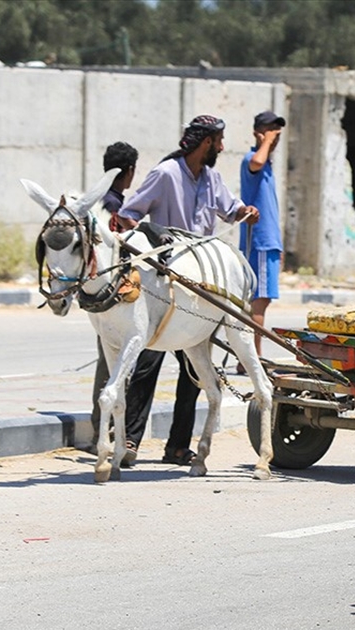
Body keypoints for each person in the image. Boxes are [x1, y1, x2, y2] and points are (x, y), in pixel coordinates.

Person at [117, 115, 259, 465]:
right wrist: (152, 234)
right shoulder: (166, 174)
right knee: (147, 361)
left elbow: (230, 209)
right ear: (205, 142)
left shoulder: (211, 178)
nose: (223, 148)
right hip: (164, 283)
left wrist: (246, 211)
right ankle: (131, 441)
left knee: (194, 372)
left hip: (200, 287)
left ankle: (177, 446)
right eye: (219, 141)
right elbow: (127, 214)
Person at [87, 141, 141, 460]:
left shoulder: (105, 200)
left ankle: (102, 429)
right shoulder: (110, 205)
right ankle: (102, 431)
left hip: (105, 298)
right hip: (113, 299)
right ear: (129, 172)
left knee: (108, 361)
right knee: (114, 364)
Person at [239, 110, 286, 363]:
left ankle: (248, 354)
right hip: (258, 240)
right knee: (258, 300)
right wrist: (265, 141)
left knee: (259, 301)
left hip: (268, 241)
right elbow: (255, 163)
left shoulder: (267, 164)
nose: (275, 137)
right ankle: (252, 356)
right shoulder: (253, 159)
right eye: (270, 131)